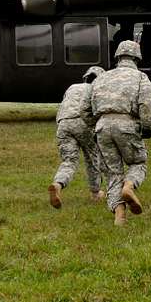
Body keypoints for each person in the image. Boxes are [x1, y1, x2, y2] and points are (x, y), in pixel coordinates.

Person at [89, 40, 151, 225]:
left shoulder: (101, 77)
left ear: (117, 57)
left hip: (102, 126)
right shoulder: (140, 77)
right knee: (138, 162)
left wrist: (97, 124)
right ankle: (129, 186)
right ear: (137, 58)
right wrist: (147, 126)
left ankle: (119, 213)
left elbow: (88, 106)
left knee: (113, 173)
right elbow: (148, 103)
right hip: (127, 125)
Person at [49, 66, 106, 208]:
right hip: (82, 123)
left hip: (63, 123)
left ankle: (58, 184)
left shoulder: (72, 87)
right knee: (92, 158)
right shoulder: (96, 90)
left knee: (69, 160)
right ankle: (95, 192)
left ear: (86, 77)